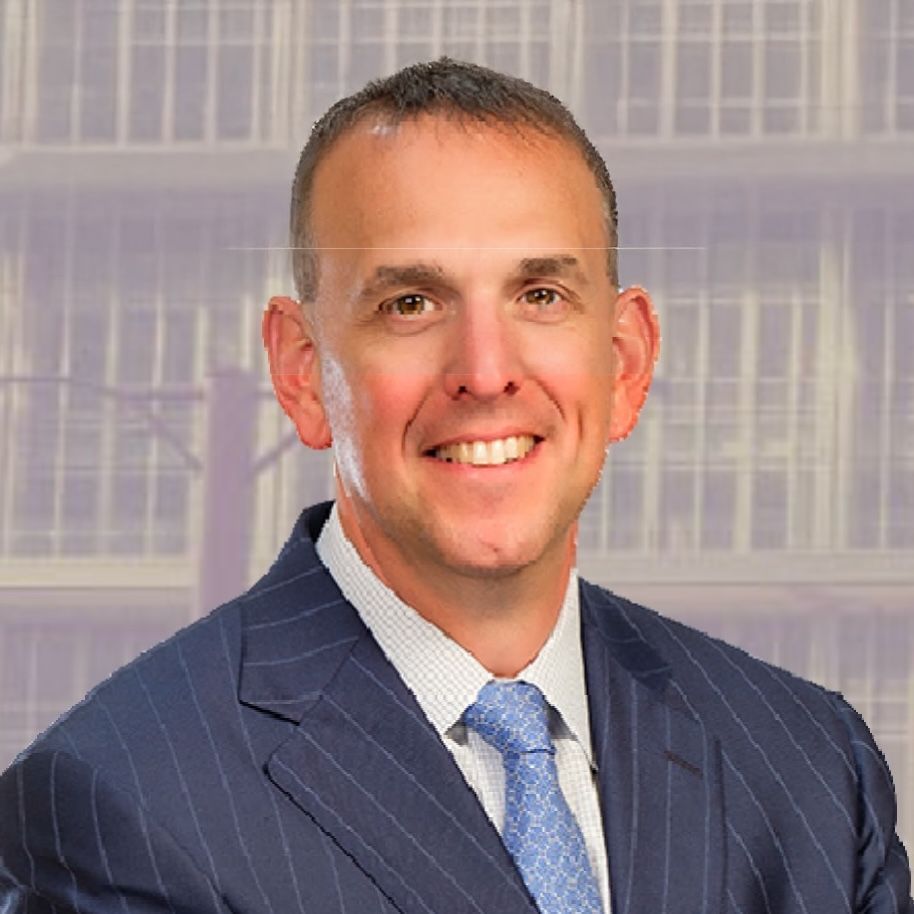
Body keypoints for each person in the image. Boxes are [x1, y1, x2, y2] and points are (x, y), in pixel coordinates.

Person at [0, 58, 910, 914]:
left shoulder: (810, 763)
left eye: (541, 295)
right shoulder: (116, 802)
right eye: (411, 303)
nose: (485, 371)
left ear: (625, 363)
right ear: (304, 373)